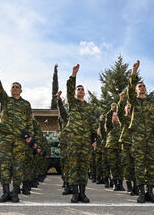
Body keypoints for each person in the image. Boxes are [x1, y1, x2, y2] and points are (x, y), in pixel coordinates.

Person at [0, 62, 34, 203]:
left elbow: (29, 121)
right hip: (5, 137)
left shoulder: (26, 104)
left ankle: (15, 192)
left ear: (21, 90)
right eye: (13, 87)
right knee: (4, 164)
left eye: (17, 87)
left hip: (20, 139)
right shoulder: (5, 100)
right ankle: (5, 193)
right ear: (10, 90)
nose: (14, 89)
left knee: (18, 166)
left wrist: (30, 136)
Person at [127, 60, 154, 203]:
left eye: (143, 86)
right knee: (140, 164)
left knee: (151, 164)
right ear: (136, 90)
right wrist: (134, 73)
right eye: (139, 86)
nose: (141, 88)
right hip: (138, 138)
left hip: (151, 138)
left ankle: (150, 192)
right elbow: (129, 90)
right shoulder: (134, 101)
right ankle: (141, 192)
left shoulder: (152, 103)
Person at [64, 64, 97, 203]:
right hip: (74, 140)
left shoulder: (89, 107)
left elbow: (93, 123)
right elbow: (69, 88)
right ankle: (75, 194)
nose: (80, 91)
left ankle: (83, 193)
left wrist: (94, 137)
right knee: (74, 167)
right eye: (79, 89)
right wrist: (73, 75)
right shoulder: (72, 103)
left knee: (84, 167)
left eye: (82, 89)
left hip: (85, 141)